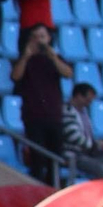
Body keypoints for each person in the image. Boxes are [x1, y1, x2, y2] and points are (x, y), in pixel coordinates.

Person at [13, 24, 73, 182]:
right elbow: (15, 77)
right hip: (33, 116)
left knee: (55, 159)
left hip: (54, 116)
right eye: (35, 37)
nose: (39, 40)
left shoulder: (55, 58)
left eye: (42, 37)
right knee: (37, 159)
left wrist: (53, 57)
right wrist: (26, 56)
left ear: (49, 38)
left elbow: (68, 73)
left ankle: (52, 190)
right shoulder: (25, 59)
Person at [62, 82, 103, 178]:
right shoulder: (67, 110)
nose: (89, 103)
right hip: (74, 155)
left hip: (87, 153)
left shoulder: (84, 112)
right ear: (78, 96)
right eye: (87, 100)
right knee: (102, 170)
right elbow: (74, 137)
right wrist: (96, 144)